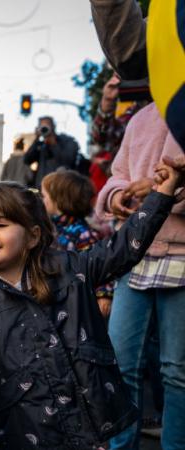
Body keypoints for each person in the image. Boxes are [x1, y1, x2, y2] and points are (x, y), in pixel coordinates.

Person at [0, 158, 184, 448]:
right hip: (23, 431)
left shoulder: (71, 269)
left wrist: (160, 196)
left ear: (33, 236)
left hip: (89, 423)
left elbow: (122, 249)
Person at [95, 103, 185, 450]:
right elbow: (118, 173)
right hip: (134, 251)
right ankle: (121, 445)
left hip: (180, 253)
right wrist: (117, 195)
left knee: (176, 370)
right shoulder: (140, 118)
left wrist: (166, 190)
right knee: (119, 363)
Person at [41, 170, 113, 318]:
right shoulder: (51, 228)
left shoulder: (83, 234)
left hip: (76, 299)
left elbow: (99, 265)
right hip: (55, 295)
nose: (42, 200)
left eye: (44, 196)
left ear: (59, 200)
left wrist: (103, 293)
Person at [22, 117, 82, 187]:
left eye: (47, 125)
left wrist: (53, 143)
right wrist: (36, 139)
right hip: (42, 186)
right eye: (42, 127)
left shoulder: (66, 141)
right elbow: (27, 160)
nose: (45, 129)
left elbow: (68, 160)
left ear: (53, 127)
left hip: (60, 186)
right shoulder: (41, 145)